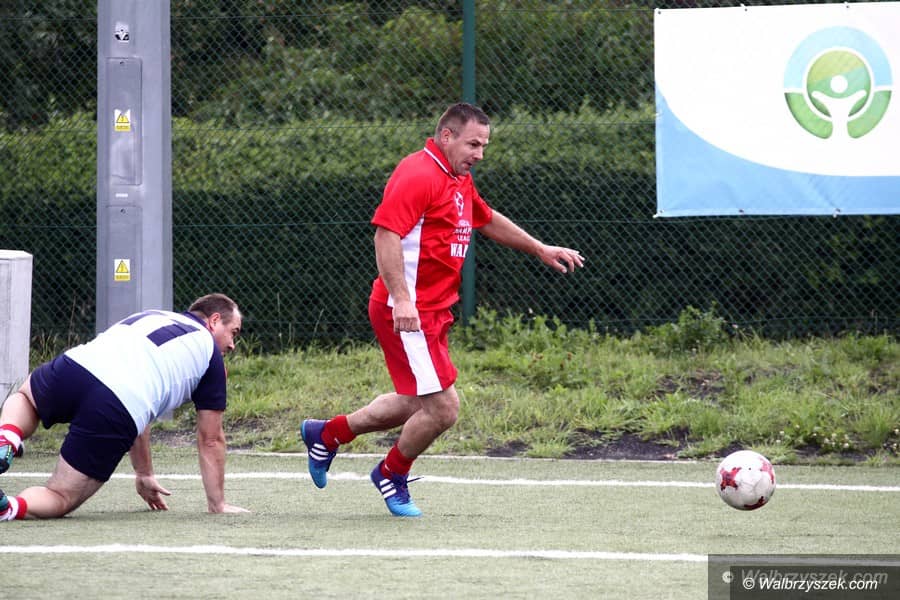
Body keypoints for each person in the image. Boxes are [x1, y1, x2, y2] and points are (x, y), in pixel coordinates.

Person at [300, 103, 585, 517]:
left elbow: (485, 218)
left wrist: (539, 248)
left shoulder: (456, 177)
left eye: (484, 146)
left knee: (415, 403)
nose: (480, 154)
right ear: (447, 136)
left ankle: (326, 434)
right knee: (443, 408)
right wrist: (403, 299)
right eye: (473, 144)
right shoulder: (419, 174)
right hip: (407, 313)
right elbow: (385, 236)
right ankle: (390, 473)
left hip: (431, 312)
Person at [0, 293, 249, 520]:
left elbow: (142, 410)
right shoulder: (210, 355)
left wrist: (144, 473)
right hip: (118, 401)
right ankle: (8, 507)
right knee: (61, 495)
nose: (232, 345)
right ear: (214, 321)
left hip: (75, 365)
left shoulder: (153, 314)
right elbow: (210, 439)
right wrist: (218, 504)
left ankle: (7, 437)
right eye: (233, 333)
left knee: (26, 399)